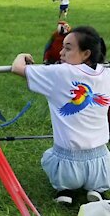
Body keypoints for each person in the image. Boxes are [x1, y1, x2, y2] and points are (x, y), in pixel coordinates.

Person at [11, 26, 110, 205]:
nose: (61, 53)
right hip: (101, 165)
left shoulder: (59, 73)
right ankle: (96, 190)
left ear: (86, 54)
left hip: (67, 165)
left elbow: (17, 68)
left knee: (51, 157)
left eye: (68, 48)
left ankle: (65, 189)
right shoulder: (106, 74)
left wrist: (21, 56)